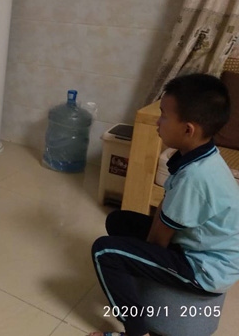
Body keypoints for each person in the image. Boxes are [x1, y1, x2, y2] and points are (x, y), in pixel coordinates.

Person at [89, 73, 239, 336]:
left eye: (164, 116)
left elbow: (158, 241)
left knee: (105, 253)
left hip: (205, 269)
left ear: (188, 129)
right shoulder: (200, 155)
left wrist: (136, 260)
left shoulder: (196, 177)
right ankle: (132, 284)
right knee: (118, 220)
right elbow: (165, 211)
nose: (158, 122)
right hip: (200, 245)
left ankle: (137, 332)